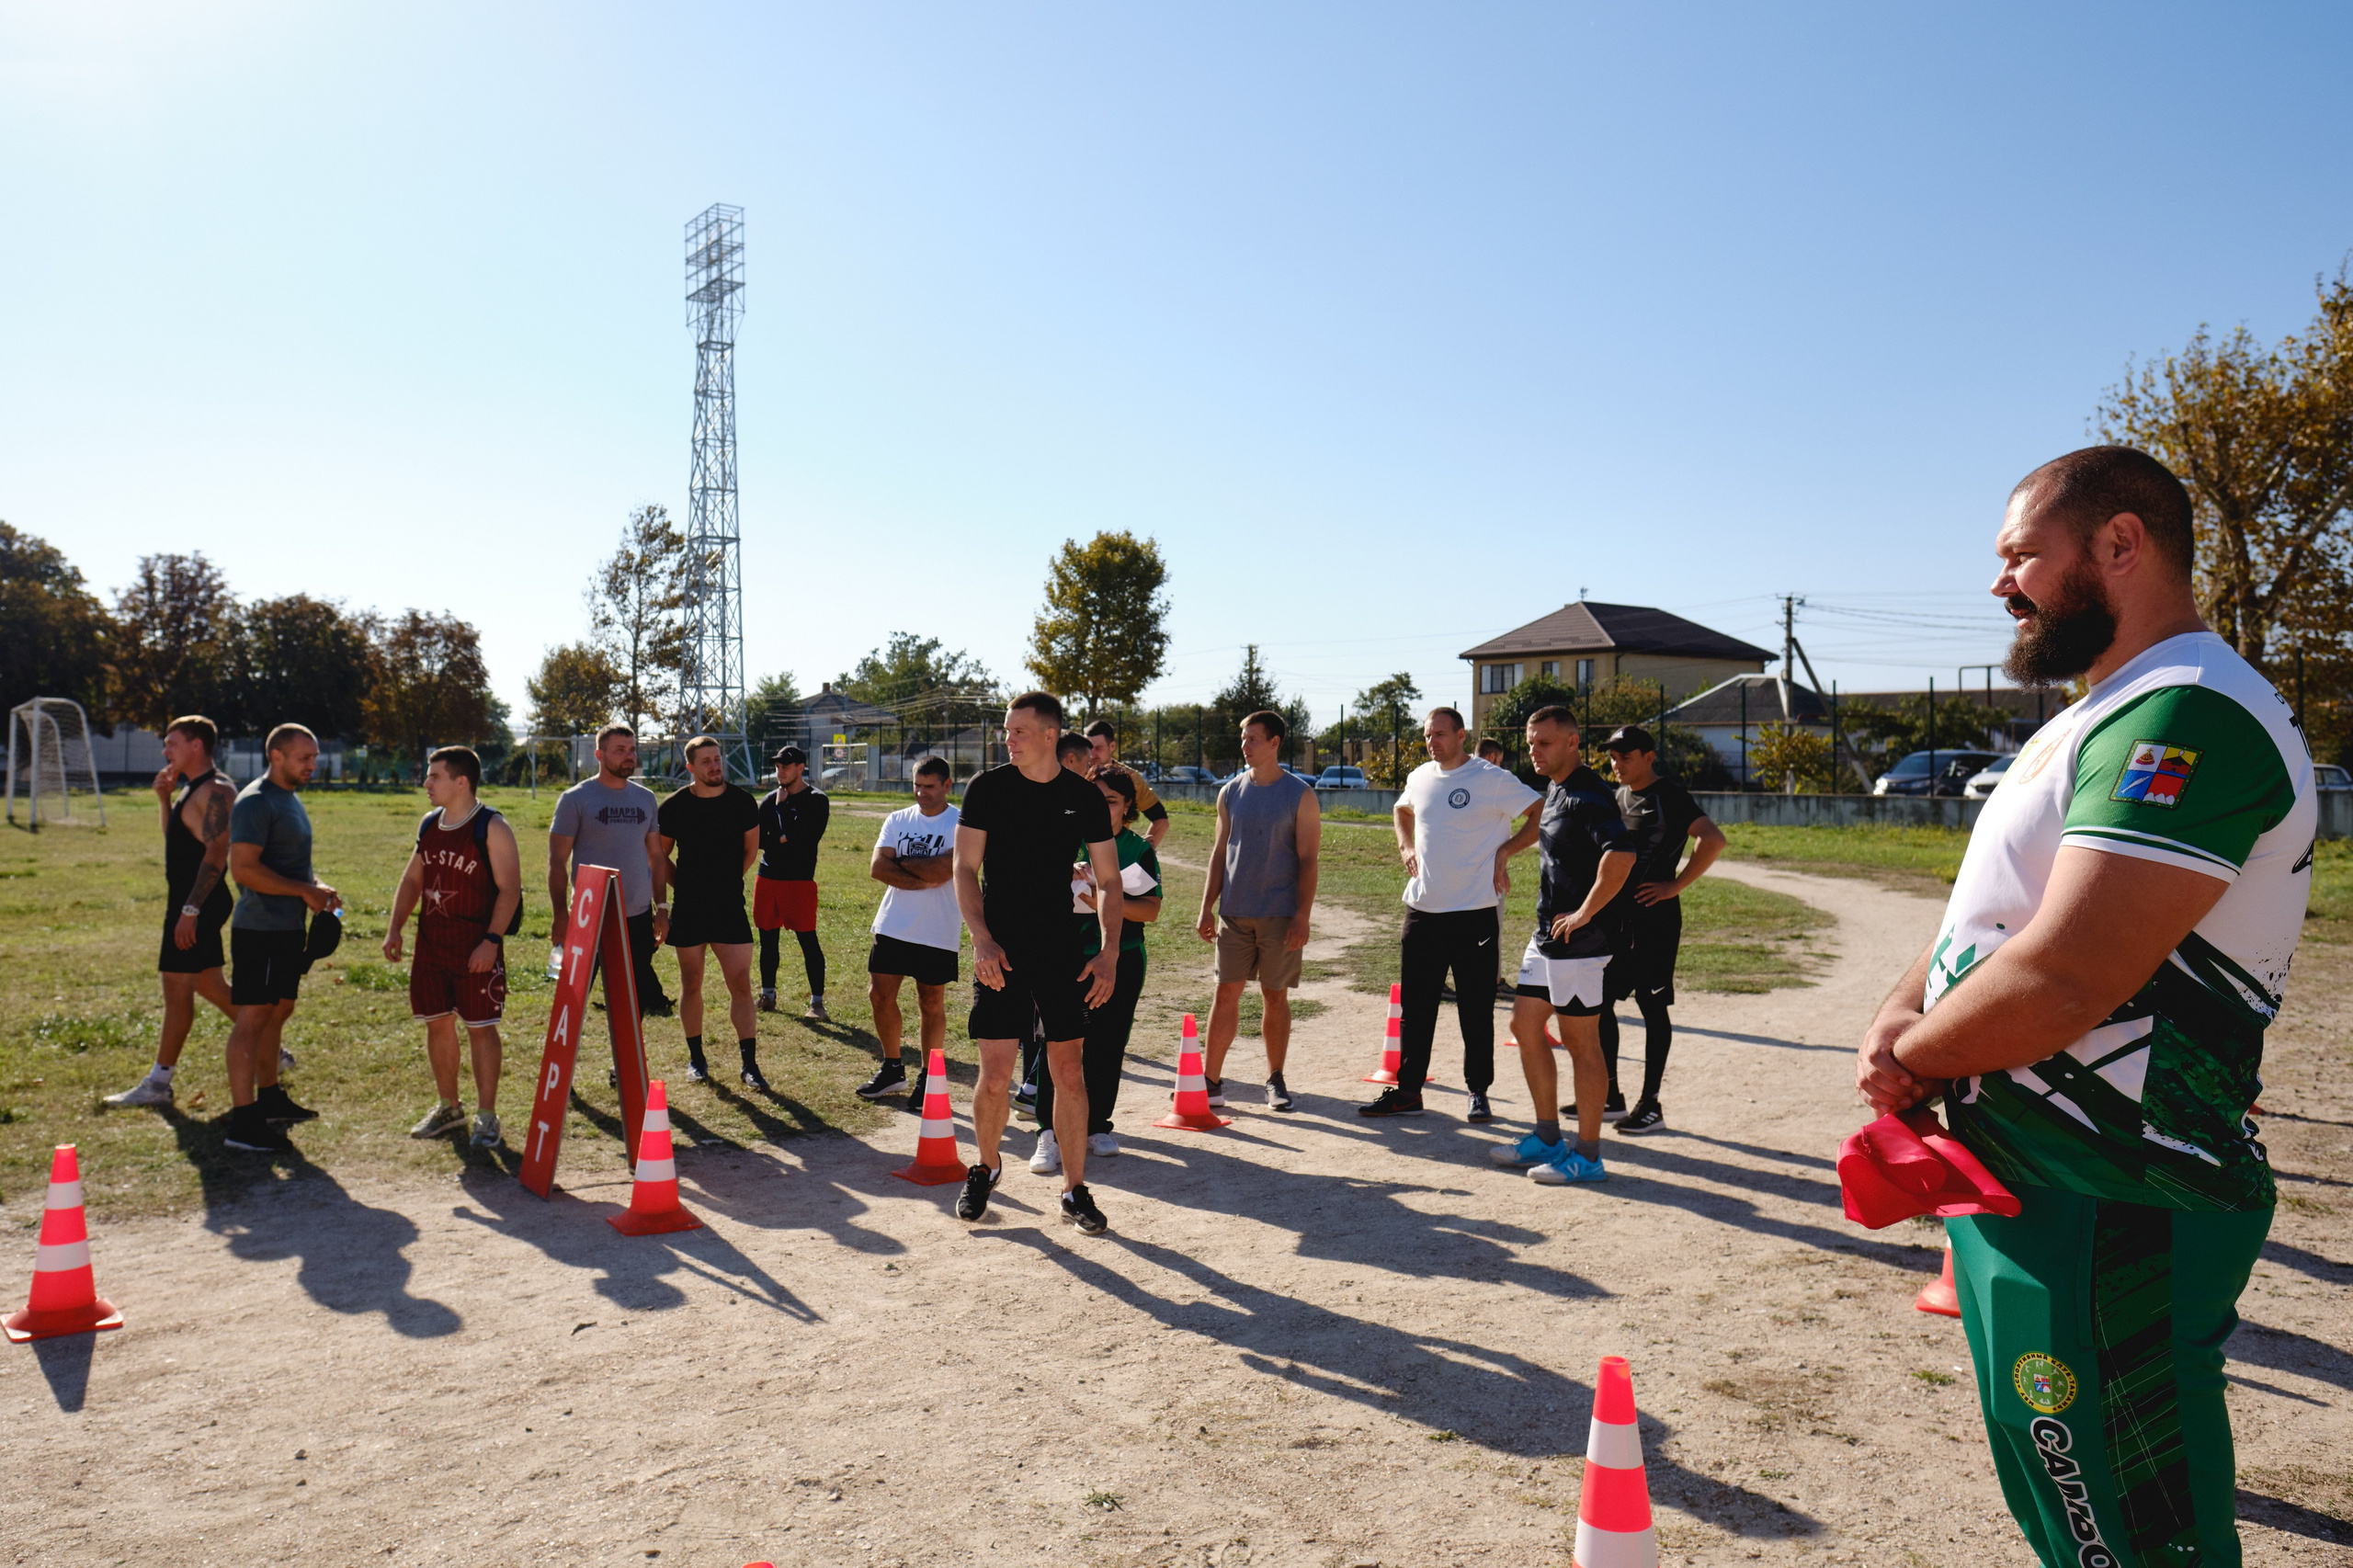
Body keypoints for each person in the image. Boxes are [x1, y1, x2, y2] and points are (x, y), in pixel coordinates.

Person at [1857, 447, 2310, 1568]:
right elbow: (1994, 917)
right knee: (2066, 1505)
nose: (1999, 583)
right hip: (2037, 1176)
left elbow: (2069, 971)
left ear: (2119, 543)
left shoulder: (2192, 710)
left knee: (2131, 1531)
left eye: (2020, 555)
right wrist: (1900, 1010)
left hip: (2119, 1189)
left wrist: (1914, 1057)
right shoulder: (2097, 711)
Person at [951, 692, 1122, 1234]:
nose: (1009, 739)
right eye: (1006, 731)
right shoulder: (987, 788)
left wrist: (1109, 951)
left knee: (1068, 1073)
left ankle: (1073, 1190)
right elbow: (964, 868)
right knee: (996, 1075)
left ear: (1050, 735)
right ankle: (986, 1167)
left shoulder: (1082, 796)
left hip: (1060, 952)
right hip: (999, 951)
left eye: (1019, 731)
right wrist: (980, 939)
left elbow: (1109, 880)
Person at [1361, 707, 1540, 1120]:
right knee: (1415, 1009)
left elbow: (1539, 812)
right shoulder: (1421, 777)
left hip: (1474, 913)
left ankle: (1478, 1091)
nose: (1432, 742)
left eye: (1440, 734)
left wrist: (1506, 851)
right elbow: (1402, 810)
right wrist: (1406, 846)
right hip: (1423, 911)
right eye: (1428, 735)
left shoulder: (1491, 778)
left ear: (1461, 735)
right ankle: (1408, 1093)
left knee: (1475, 1009)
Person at [1487, 706, 1634, 1185]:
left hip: (1581, 942)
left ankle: (1588, 1156)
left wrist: (1585, 913)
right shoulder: (1556, 787)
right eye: (1531, 742)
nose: (1534, 751)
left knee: (1580, 1043)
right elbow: (1544, 832)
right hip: (1547, 936)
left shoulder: (1588, 794)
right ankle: (1548, 1137)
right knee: (1525, 1024)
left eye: (1544, 743)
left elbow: (1621, 854)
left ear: (1572, 742)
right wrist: (1507, 850)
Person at [383, 746, 520, 1147]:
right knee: (437, 1023)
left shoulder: (492, 826)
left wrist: (491, 942)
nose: (426, 783)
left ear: (461, 782)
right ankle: (449, 1107)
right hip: (432, 946)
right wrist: (394, 929)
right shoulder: (430, 823)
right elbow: (413, 879)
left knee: (480, 1028)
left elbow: (510, 890)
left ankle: (486, 1115)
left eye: (434, 776)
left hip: (475, 947)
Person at [1593, 724, 1724, 1135]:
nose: (1617, 765)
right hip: (1617, 920)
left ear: (1649, 758)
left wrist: (1675, 885)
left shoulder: (1670, 795)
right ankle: (1610, 1095)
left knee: (1652, 1008)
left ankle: (1650, 1105)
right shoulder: (1617, 796)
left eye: (1625, 757)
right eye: (1613, 758)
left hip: (1654, 921)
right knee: (1599, 1003)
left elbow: (1713, 839)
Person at [1033, 766, 1163, 1172]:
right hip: (1064, 956)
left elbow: (1151, 910)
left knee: (1107, 1043)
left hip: (1120, 957)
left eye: (1111, 801)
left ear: (1127, 807)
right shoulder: (1064, 837)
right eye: (1096, 798)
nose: (1102, 807)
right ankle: (1048, 1132)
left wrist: (1104, 900)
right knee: (1058, 1043)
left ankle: (1097, 1126)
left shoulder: (1137, 850)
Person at [218, 724, 339, 1154]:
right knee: (253, 1017)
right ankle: (243, 1121)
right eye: (305, 758)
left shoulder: (289, 798)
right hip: (260, 929)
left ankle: (269, 1098)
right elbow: (244, 869)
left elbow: (288, 863)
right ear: (277, 756)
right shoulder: (256, 801)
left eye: (314, 757)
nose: (313, 765)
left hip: (288, 928)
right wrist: (304, 891)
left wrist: (316, 887)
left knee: (279, 1010)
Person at [106, 715, 238, 1108]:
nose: (165, 750)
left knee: (177, 990)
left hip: (197, 902)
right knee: (210, 985)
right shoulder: (191, 788)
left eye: (172, 743)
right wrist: (164, 799)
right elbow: (176, 841)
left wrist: (191, 909)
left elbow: (217, 852)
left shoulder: (215, 790)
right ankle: (270, 1047)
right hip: (190, 902)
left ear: (196, 745)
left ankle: (158, 1083)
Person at [1195, 710, 1321, 1111]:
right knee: (1225, 993)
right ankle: (1210, 1081)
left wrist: (1302, 915)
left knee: (1274, 995)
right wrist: (1206, 907)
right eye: (1243, 738)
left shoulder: (1300, 795)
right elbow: (1219, 853)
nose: (1245, 746)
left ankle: (1275, 1078)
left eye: (1253, 739)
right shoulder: (1230, 792)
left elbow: (1309, 860)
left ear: (1274, 743)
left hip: (1280, 916)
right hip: (1234, 913)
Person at [657, 736, 764, 1087]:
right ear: (690, 767)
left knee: (741, 984)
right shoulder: (674, 807)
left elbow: (750, 851)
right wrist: (682, 886)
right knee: (691, 983)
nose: (715, 766)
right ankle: (696, 1059)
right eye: (706, 761)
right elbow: (659, 856)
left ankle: (749, 1065)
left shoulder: (742, 802)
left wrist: (728, 880)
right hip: (689, 910)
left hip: (729, 908)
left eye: (717, 759)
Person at [548, 724, 671, 1020]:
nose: (629, 756)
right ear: (599, 755)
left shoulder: (645, 798)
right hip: (588, 915)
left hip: (636, 916)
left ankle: (625, 1054)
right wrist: (560, 914)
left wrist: (662, 907)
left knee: (631, 1003)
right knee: (571, 1001)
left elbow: (656, 856)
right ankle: (563, 1053)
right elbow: (557, 861)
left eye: (632, 750)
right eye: (620, 750)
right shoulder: (575, 798)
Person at [858, 756, 961, 1103]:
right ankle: (892, 1069)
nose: (921, 792)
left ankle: (929, 1079)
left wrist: (900, 863)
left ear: (947, 785)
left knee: (930, 1002)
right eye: (917, 785)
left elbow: (945, 870)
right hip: (893, 923)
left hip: (938, 927)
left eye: (929, 786)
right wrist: (920, 875)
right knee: (879, 995)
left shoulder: (960, 822)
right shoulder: (898, 819)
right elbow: (877, 868)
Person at [755, 744, 832, 1019]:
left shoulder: (816, 800)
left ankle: (817, 1003)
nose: (780, 771)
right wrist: (782, 838)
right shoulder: (769, 800)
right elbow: (759, 839)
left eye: (785, 766)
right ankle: (768, 994)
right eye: (777, 767)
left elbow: (805, 840)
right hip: (768, 877)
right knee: (767, 940)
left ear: (801, 768)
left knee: (808, 941)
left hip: (799, 881)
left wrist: (782, 810)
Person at [1084, 720, 1172, 848]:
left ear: (1112, 746)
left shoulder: (1131, 778)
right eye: (1089, 748)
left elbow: (1161, 821)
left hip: (1115, 854)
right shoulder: (1075, 773)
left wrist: (1142, 851)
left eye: (1098, 748)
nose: (1092, 754)